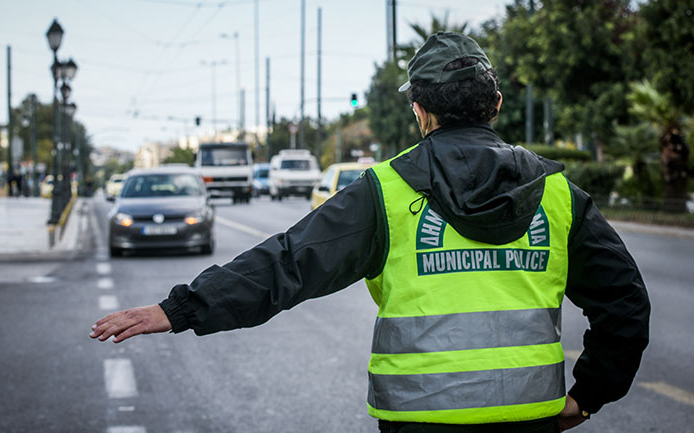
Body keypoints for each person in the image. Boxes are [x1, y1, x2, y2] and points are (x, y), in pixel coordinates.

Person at [90, 32, 650, 433]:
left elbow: (290, 263)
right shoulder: (558, 194)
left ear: (420, 111)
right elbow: (625, 303)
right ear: (497, 105)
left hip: (418, 420)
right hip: (531, 418)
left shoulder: (385, 190)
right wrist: (587, 396)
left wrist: (184, 308)